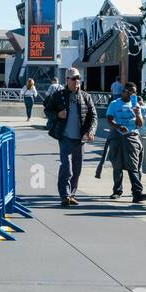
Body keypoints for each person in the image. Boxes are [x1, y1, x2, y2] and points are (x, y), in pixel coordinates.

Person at [44, 68, 96, 207]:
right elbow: (47, 110)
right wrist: (57, 115)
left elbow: (93, 116)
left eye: (78, 78)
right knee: (67, 167)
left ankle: (71, 194)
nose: (76, 81)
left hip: (80, 139)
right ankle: (64, 195)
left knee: (77, 168)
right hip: (65, 137)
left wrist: (91, 131)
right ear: (67, 80)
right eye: (73, 78)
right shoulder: (59, 95)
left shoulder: (85, 96)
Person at [104, 81, 146, 202]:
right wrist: (118, 127)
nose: (131, 94)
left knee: (133, 166)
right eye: (129, 92)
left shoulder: (136, 105)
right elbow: (109, 119)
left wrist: (138, 113)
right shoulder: (114, 104)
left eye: (134, 92)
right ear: (123, 91)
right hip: (117, 136)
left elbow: (140, 124)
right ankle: (117, 191)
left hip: (131, 137)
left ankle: (137, 193)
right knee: (117, 165)